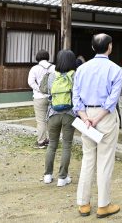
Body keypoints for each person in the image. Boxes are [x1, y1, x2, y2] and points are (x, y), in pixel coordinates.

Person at [72, 33, 122, 218]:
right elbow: (112, 100)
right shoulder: (115, 69)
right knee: (105, 161)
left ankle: (83, 204)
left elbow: (75, 97)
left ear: (93, 48)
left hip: (86, 117)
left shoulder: (81, 69)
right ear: (110, 47)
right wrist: (97, 118)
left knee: (88, 160)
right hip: (105, 117)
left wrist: (85, 118)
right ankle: (103, 205)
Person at [43, 49, 77, 187]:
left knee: (52, 144)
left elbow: (44, 90)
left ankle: (47, 175)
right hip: (69, 114)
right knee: (67, 145)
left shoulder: (52, 75)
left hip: (53, 113)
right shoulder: (75, 75)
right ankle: (62, 178)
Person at [28, 49, 54, 148]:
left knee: (41, 120)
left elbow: (30, 82)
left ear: (37, 58)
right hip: (52, 97)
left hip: (39, 97)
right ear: (48, 57)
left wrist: (39, 89)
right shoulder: (54, 67)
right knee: (51, 120)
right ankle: (52, 140)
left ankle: (42, 141)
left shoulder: (34, 68)